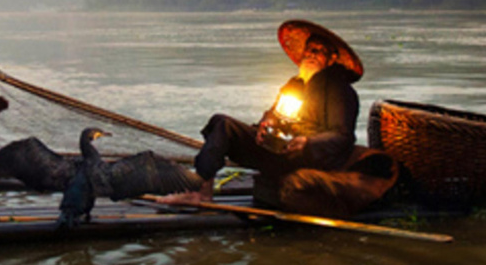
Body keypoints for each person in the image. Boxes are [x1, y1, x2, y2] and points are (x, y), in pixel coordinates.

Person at [163, 19, 397, 218]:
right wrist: (265, 127)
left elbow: (343, 136)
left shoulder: (340, 90)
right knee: (223, 125)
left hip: (311, 157)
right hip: (281, 149)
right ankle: (201, 191)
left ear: (331, 58)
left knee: (286, 152)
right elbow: (273, 115)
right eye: (309, 50)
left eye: (318, 51)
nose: (311, 55)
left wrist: (308, 143)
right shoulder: (294, 85)